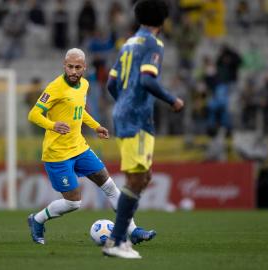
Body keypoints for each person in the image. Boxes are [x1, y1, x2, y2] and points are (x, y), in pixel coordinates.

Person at [27, 48, 155, 246]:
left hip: (79, 147)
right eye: (70, 67)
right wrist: (53, 125)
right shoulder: (55, 88)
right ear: (64, 66)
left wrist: (96, 126)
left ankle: (133, 231)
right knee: (73, 202)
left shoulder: (84, 85)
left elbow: (79, 111)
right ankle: (37, 220)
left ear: (84, 68)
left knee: (110, 186)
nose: (73, 71)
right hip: (57, 154)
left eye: (78, 67)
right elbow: (34, 114)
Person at [103, 0, 184, 259]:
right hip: (137, 118)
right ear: (164, 20)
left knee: (144, 176)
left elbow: (111, 83)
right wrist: (173, 100)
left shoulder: (128, 43)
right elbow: (148, 79)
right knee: (136, 179)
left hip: (128, 115)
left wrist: (124, 103)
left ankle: (119, 240)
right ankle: (117, 242)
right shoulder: (153, 43)